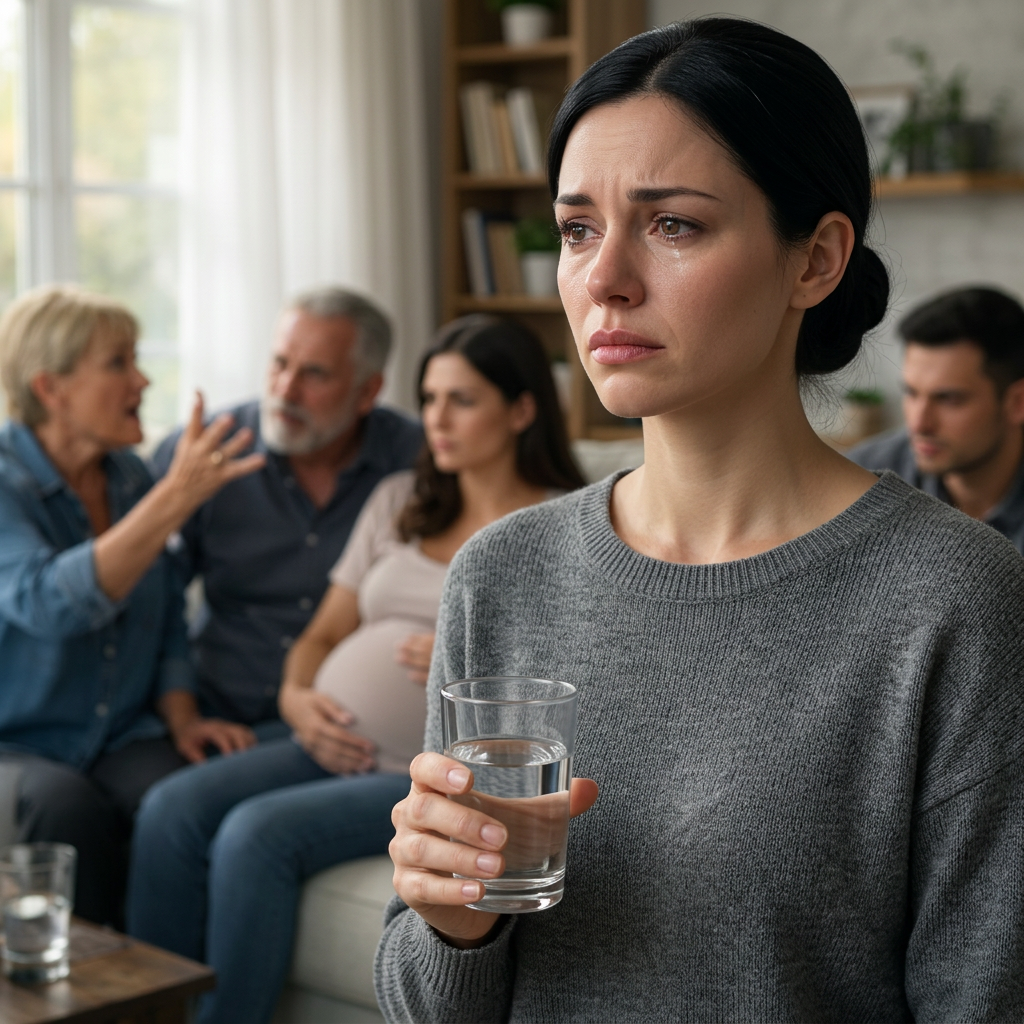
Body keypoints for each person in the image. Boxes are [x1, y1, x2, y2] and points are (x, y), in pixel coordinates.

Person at [376, 19, 1024, 1022]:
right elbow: (430, 1005)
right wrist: (457, 918)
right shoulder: (502, 573)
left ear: (814, 260)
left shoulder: (955, 602)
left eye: (672, 224)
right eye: (578, 228)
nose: (603, 279)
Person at [127, 316, 585, 1024]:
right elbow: (319, 637)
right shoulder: (401, 499)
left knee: (255, 835)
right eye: (429, 398)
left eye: (461, 400)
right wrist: (296, 697)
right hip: (320, 737)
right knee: (171, 809)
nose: (435, 418)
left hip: (410, 767)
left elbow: (565, 680)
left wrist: (458, 652)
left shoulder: (560, 530)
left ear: (522, 410)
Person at [0, 285, 263, 925]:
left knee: (186, 800)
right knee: (65, 810)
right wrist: (174, 498)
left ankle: (174, 998)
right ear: (51, 389)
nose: (141, 379)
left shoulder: (129, 478)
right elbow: (45, 603)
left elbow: (168, 610)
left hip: (120, 734)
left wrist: (182, 718)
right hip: (15, 744)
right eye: (118, 363)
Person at [152, 287, 423, 737]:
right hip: (214, 707)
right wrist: (184, 719)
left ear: (367, 391)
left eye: (314, 374)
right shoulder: (204, 453)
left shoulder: (417, 461)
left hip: (340, 722)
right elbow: (156, 604)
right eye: (279, 363)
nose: (285, 390)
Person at [847, 286, 1024, 553]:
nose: (919, 424)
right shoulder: (861, 481)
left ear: (1017, 403)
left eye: (949, 399)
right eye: (911, 393)